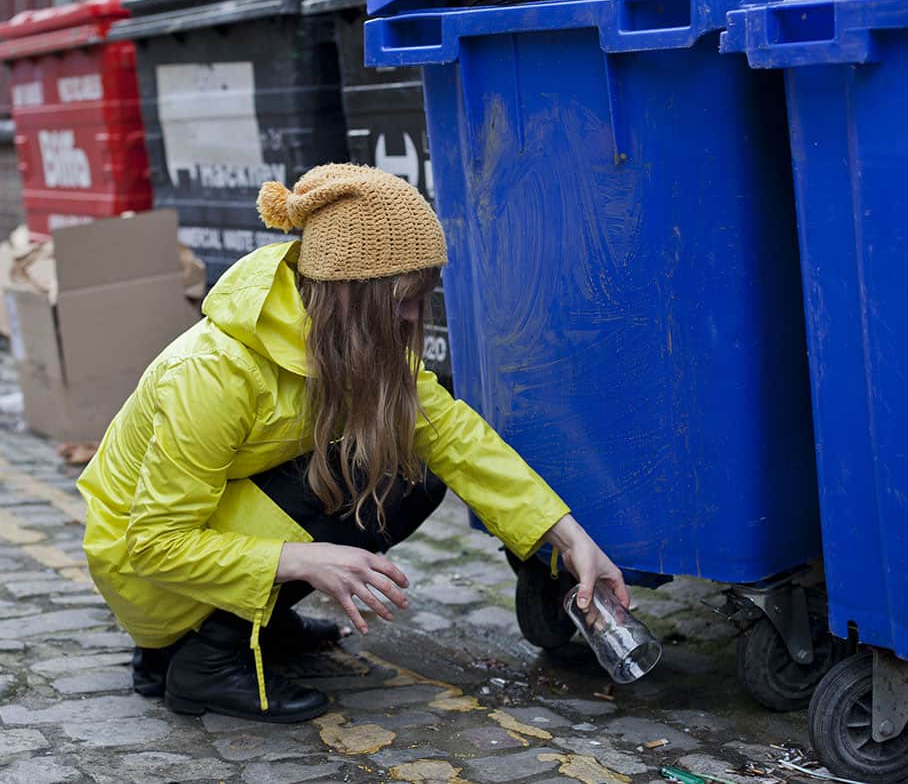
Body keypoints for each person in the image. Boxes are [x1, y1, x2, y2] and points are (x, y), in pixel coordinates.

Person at [77, 164, 629, 724]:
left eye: (422, 296)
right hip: (143, 568)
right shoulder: (215, 372)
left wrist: (568, 539)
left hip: (205, 538)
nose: (415, 317)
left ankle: (249, 625)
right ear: (348, 293)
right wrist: (302, 559)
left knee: (411, 468)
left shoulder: (343, 339)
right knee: (362, 470)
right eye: (402, 299)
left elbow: (455, 438)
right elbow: (154, 543)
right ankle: (205, 660)